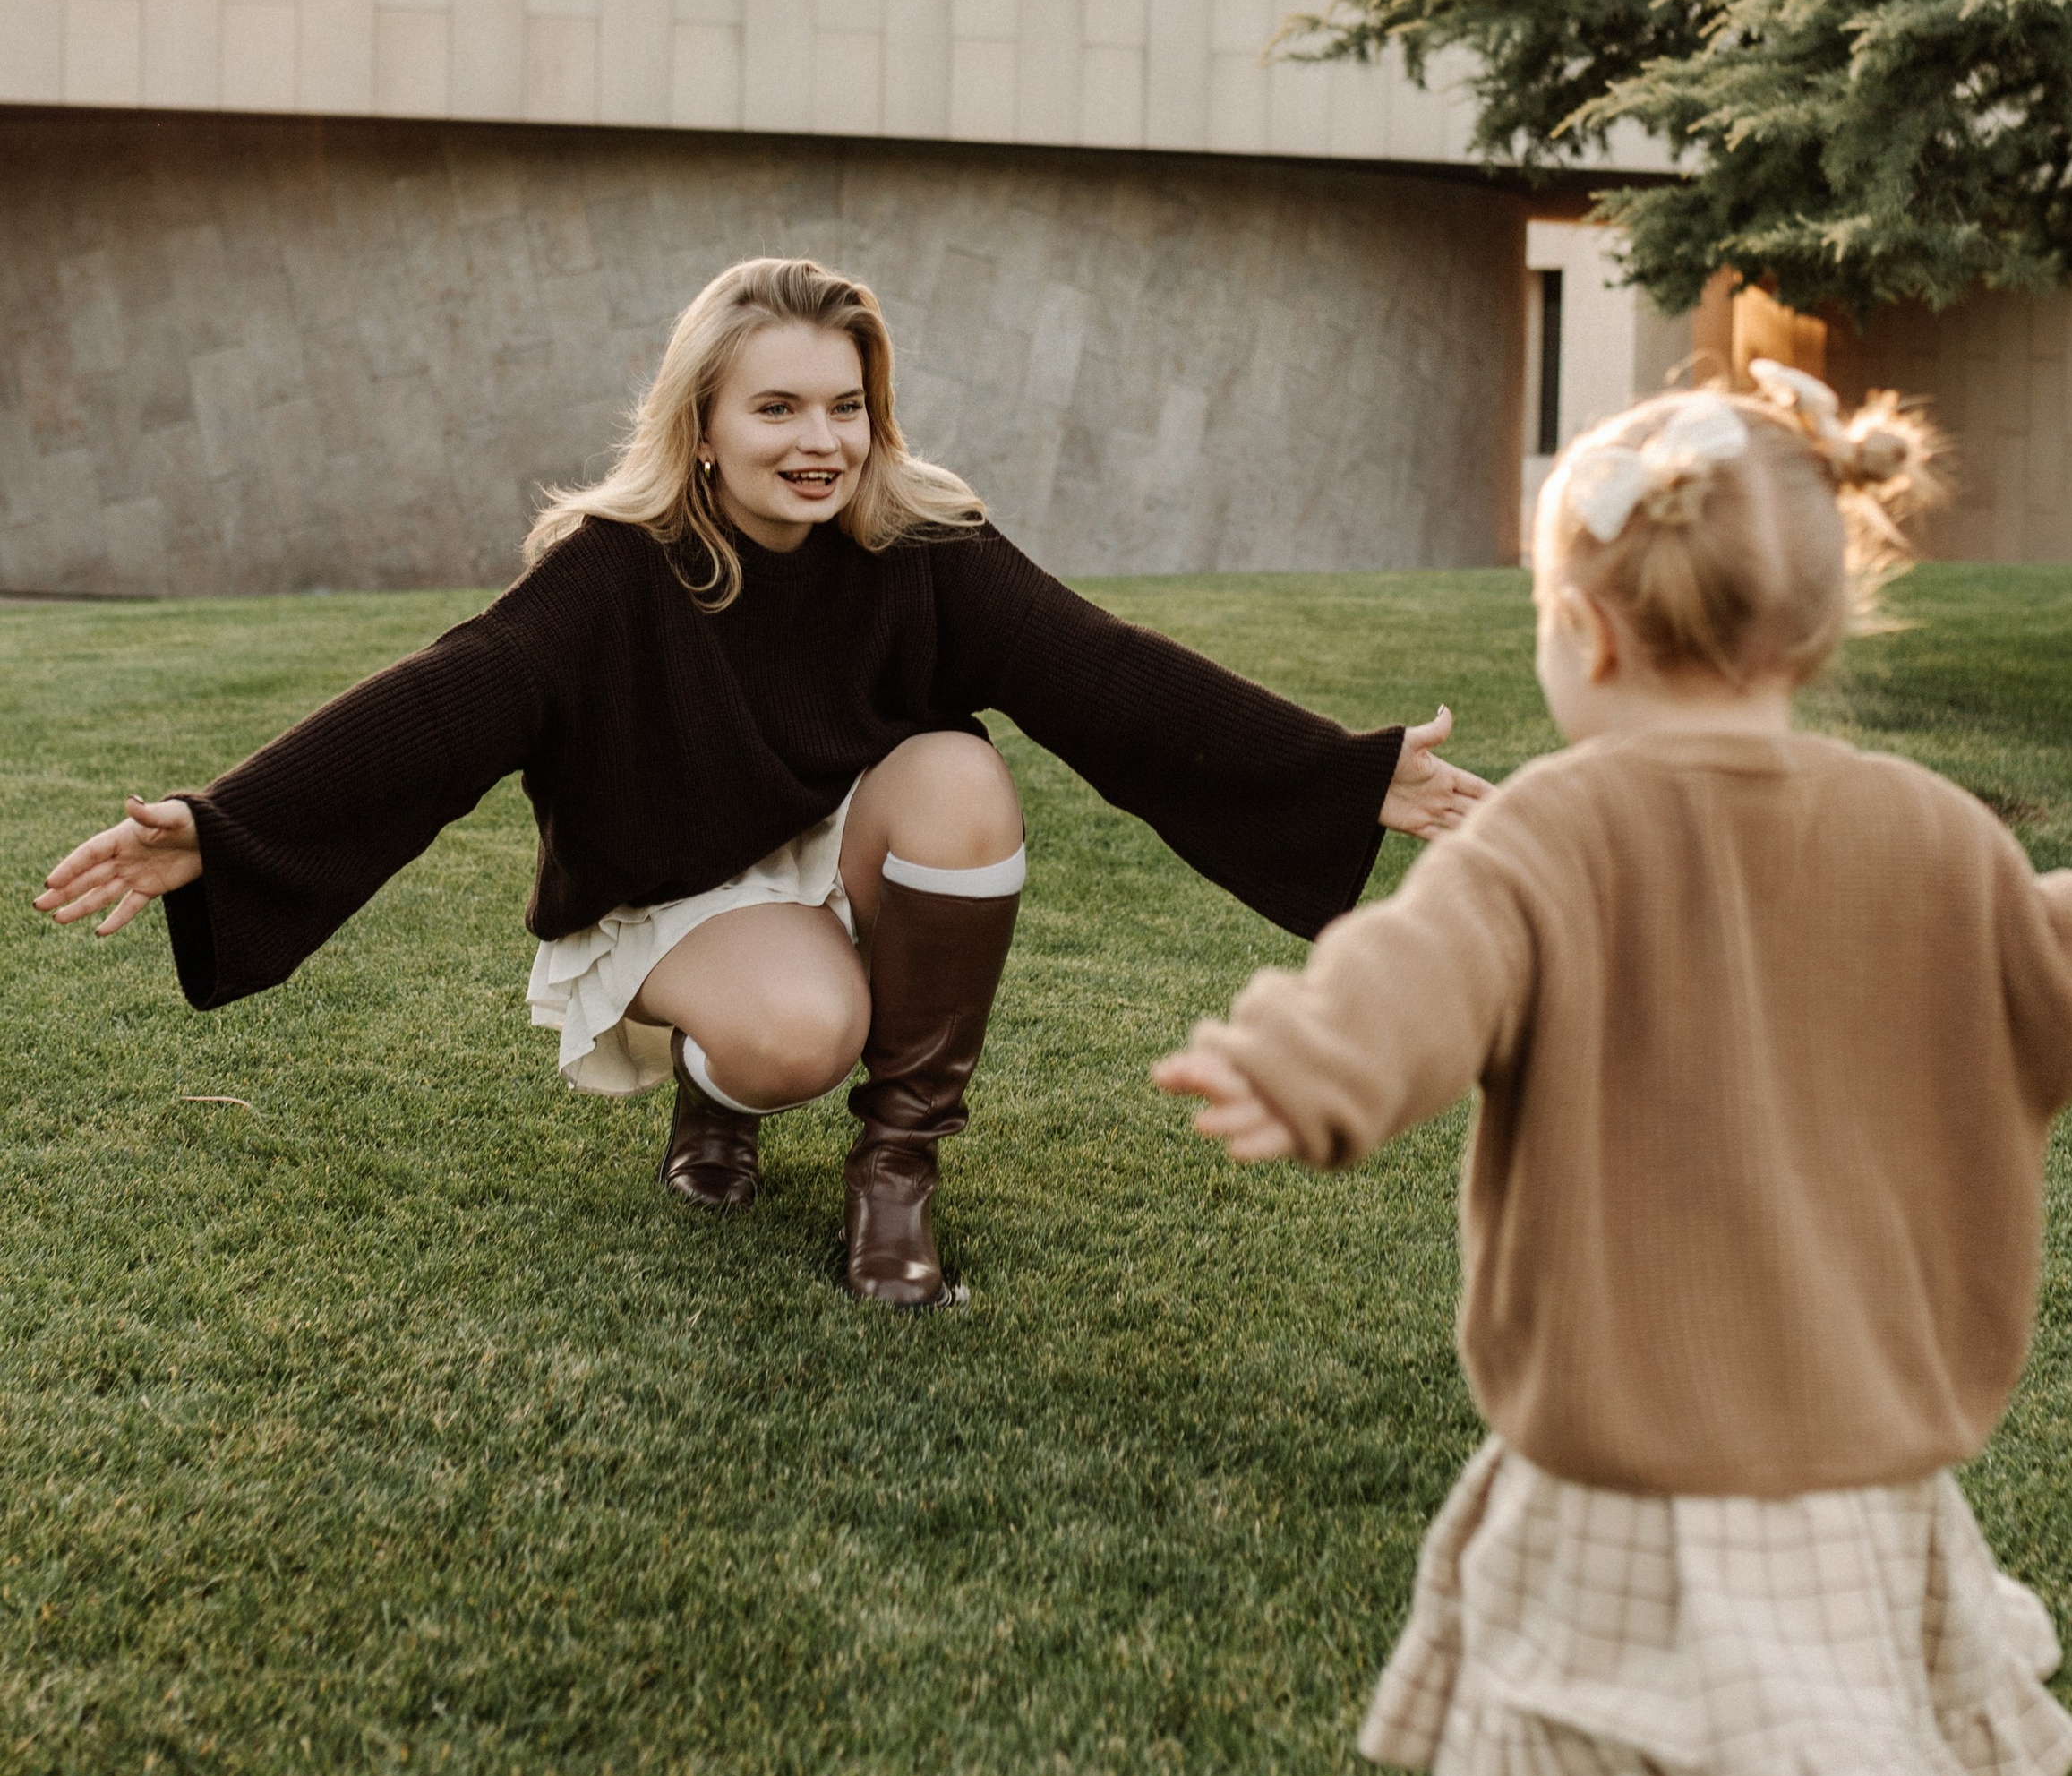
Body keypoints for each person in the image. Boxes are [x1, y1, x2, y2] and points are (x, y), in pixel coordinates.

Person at [1156, 364, 2072, 1776]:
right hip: (1859, 1450)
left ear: (1582, 635)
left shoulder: (1549, 835)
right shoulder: (1932, 838)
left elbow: (1424, 967)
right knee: (1802, 1764)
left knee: (1536, 1737)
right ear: (1822, 620)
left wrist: (1311, 1061)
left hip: (1625, 1429)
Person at [38, 253, 1487, 1309]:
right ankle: (716, 1091)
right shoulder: (613, 572)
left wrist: (1338, 776)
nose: (820, 443)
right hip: (677, 888)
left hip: (841, 849)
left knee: (961, 781)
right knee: (798, 1032)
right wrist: (227, 831)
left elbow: (1104, 676)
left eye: (846, 408)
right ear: (704, 424)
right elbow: (446, 703)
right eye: (779, 409)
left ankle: (898, 1171)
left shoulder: (922, 547)